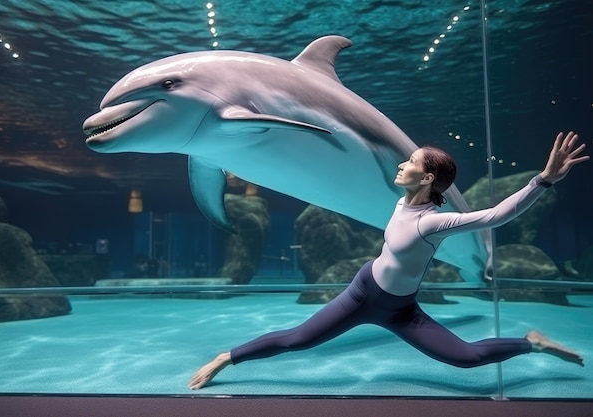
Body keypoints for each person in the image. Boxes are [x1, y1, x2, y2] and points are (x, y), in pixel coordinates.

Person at [189, 131, 588, 390]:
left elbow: (495, 216)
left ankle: (531, 342)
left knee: (466, 359)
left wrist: (544, 180)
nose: (401, 164)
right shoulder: (401, 200)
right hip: (363, 292)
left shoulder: (436, 222)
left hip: (400, 310)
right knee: (299, 339)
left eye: (410, 162)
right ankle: (226, 358)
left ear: (428, 178)